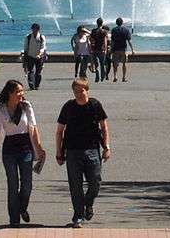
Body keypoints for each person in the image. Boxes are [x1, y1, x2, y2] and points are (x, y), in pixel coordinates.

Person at [0, 79, 46, 227]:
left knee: (27, 185)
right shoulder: (1, 109)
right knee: (12, 185)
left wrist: (39, 148)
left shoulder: (26, 106)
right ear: (10, 93)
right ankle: (14, 220)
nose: (21, 94)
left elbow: (33, 127)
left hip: (26, 148)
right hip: (10, 150)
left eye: (22, 91)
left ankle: (22, 208)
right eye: (18, 91)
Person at [55, 77, 110, 228]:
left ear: (87, 90)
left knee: (95, 182)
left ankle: (88, 203)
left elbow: (104, 127)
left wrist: (107, 147)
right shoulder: (68, 107)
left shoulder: (95, 105)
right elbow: (60, 131)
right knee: (75, 185)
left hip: (92, 149)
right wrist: (59, 152)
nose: (79, 94)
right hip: (72, 151)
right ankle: (78, 216)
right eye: (76, 91)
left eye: (82, 91)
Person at [22, 23, 48, 90]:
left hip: (39, 57)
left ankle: (37, 85)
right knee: (30, 71)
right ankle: (31, 83)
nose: (34, 31)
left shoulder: (42, 37)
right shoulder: (28, 37)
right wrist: (25, 58)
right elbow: (25, 48)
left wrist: (39, 54)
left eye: (35, 29)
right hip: (30, 56)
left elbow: (43, 47)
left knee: (38, 72)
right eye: (33, 29)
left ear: (38, 30)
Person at [110, 17, 133, 82]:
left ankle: (115, 76)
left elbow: (112, 41)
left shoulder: (114, 30)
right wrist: (132, 49)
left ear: (116, 23)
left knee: (115, 63)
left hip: (116, 49)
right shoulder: (126, 30)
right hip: (123, 49)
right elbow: (129, 41)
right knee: (124, 63)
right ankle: (123, 77)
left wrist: (111, 49)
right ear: (122, 22)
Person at [89, 18, 110, 82]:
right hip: (102, 50)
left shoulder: (93, 31)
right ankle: (102, 77)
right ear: (102, 23)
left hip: (95, 49)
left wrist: (91, 47)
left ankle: (97, 75)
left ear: (97, 23)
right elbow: (105, 41)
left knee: (96, 64)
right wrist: (105, 49)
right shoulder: (104, 31)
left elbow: (91, 39)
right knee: (102, 64)